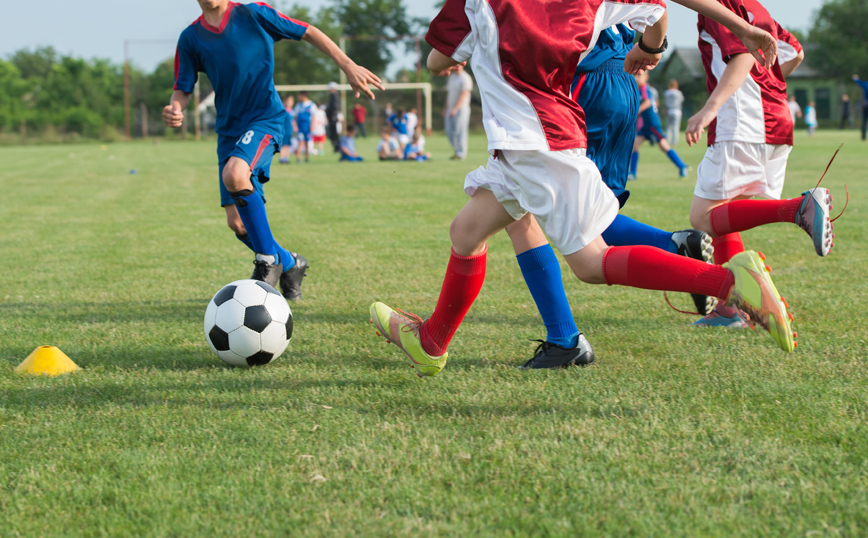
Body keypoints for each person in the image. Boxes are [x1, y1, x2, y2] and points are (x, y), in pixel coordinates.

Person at [369, 0, 797, 380]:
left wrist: (462, 52)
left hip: (535, 144)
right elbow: (660, 7)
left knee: (592, 263)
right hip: (543, 135)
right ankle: (431, 343)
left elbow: (437, 61)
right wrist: (665, 45)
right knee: (466, 233)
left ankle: (728, 283)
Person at [165, 0, 381, 300]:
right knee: (238, 223)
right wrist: (176, 108)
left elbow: (307, 31)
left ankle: (267, 261)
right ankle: (291, 262)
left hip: (264, 118)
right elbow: (183, 88)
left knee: (236, 173)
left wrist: (347, 64)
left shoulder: (253, 14)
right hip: (229, 131)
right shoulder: (190, 38)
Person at [685, 0, 834, 328]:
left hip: (743, 121)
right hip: (776, 117)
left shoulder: (720, 6)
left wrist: (709, 109)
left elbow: (739, 56)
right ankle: (730, 309)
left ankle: (798, 208)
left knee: (703, 218)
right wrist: (767, 85)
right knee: (726, 213)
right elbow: (795, 54)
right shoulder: (756, 7)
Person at [629, 71, 691, 179]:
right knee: (635, 146)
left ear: (646, 77)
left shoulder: (644, 88)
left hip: (652, 124)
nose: (636, 78)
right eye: (635, 75)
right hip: (645, 125)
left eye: (639, 75)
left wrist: (636, 112)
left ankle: (682, 166)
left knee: (664, 146)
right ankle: (633, 174)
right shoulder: (638, 90)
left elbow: (647, 103)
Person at [444, 63, 472, 159]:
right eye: (455, 64)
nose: (457, 66)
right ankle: (457, 152)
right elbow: (449, 94)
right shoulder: (451, 77)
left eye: (458, 64)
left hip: (461, 108)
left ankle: (461, 153)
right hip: (450, 109)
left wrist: (455, 108)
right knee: (449, 131)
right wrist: (446, 108)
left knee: (460, 131)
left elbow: (464, 94)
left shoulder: (465, 77)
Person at [294, 91, 315, 163]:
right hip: (300, 127)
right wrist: (295, 126)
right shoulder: (298, 105)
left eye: (299, 96)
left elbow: (313, 116)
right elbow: (295, 117)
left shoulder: (311, 104)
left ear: (304, 96)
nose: (298, 97)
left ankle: (307, 157)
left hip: (307, 127)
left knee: (307, 142)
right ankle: (298, 158)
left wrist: (312, 125)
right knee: (300, 142)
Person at [664, 79, 684, 145]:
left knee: (668, 127)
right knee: (676, 127)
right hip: (677, 111)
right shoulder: (679, 92)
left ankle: (667, 142)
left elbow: (666, 102)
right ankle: (674, 142)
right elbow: (681, 100)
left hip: (669, 110)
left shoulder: (667, 92)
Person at [279, 94, 296, 164]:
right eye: (288, 101)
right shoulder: (284, 111)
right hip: (284, 131)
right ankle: (282, 158)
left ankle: (286, 157)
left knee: (288, 145)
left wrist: (295, 127)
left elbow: (293, 121)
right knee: (284, 145)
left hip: (290, 131)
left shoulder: (292, 111)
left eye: (291, 101)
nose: (290, 102)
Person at [325, 81, 341, 151]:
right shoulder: (334, 96)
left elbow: (334, 106)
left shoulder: (334, 96)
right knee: (333, 133)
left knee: (334, 133)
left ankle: (337, 147)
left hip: (333, 116)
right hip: (333, 115)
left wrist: (328, 109)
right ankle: (336, 147)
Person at [853, 74, 868, 141]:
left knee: (864, 121)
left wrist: (856, 78)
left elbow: (858, 82)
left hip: (866, 105)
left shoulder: (866, 84)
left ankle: (863, 137)